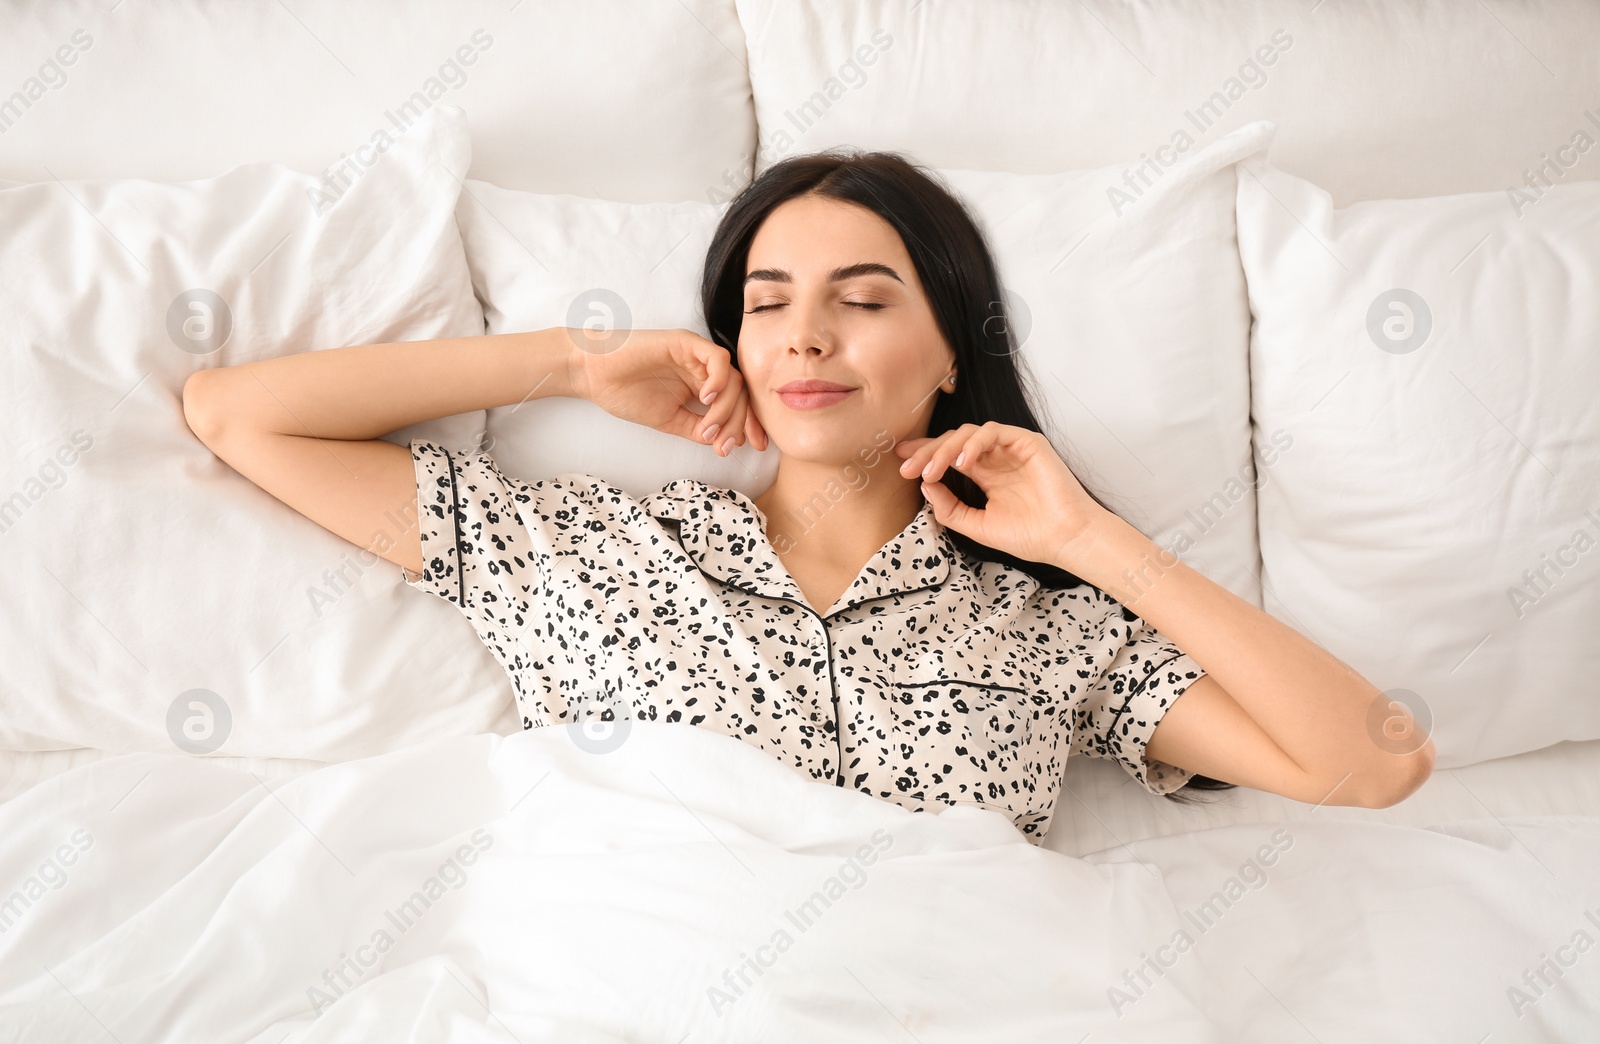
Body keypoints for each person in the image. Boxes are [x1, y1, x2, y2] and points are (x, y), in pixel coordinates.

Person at [181, 149, 1434, 844]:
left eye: (866, 298)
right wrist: (566, 360)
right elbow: (238, 416)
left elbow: (1374, 765)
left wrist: (1090, 542)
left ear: (953, 354)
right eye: (767, 302)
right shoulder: (581, 544)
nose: (805, 336)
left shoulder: (1048, 628)